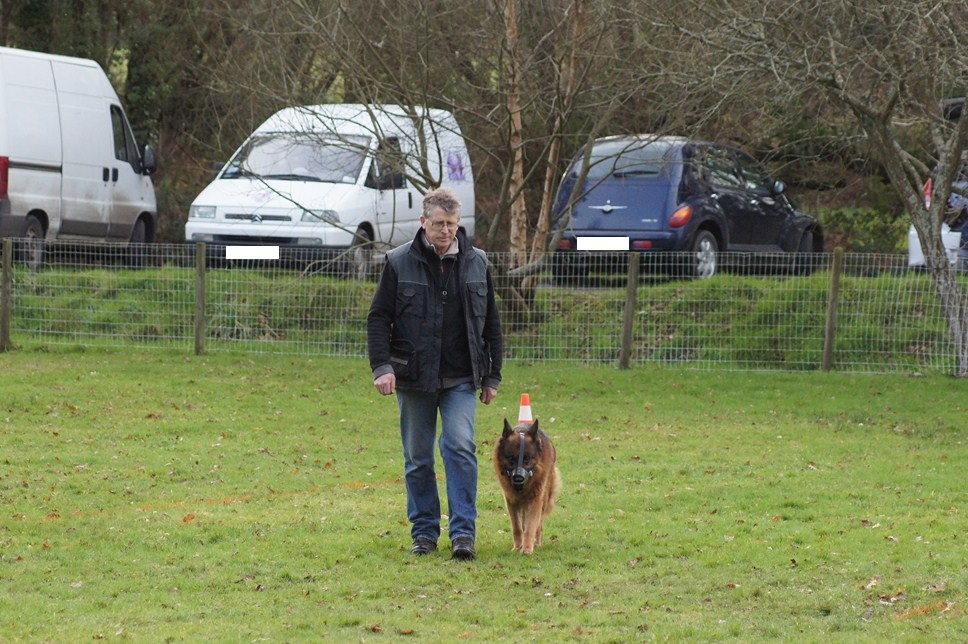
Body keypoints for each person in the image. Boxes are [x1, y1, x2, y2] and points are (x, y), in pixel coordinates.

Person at [367, 187, 503, 561]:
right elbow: (379, 318)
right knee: (418, 458)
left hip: (461, 378)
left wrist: (492, 376)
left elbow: (491, 323)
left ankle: (463, 534)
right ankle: (424, 532)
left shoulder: (478, 263)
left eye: (452, 224)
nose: (446, 231)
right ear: (423, 222)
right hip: (412, 378)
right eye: (439, 224)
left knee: (459, 448)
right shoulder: (398, 262)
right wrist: (381, 367)